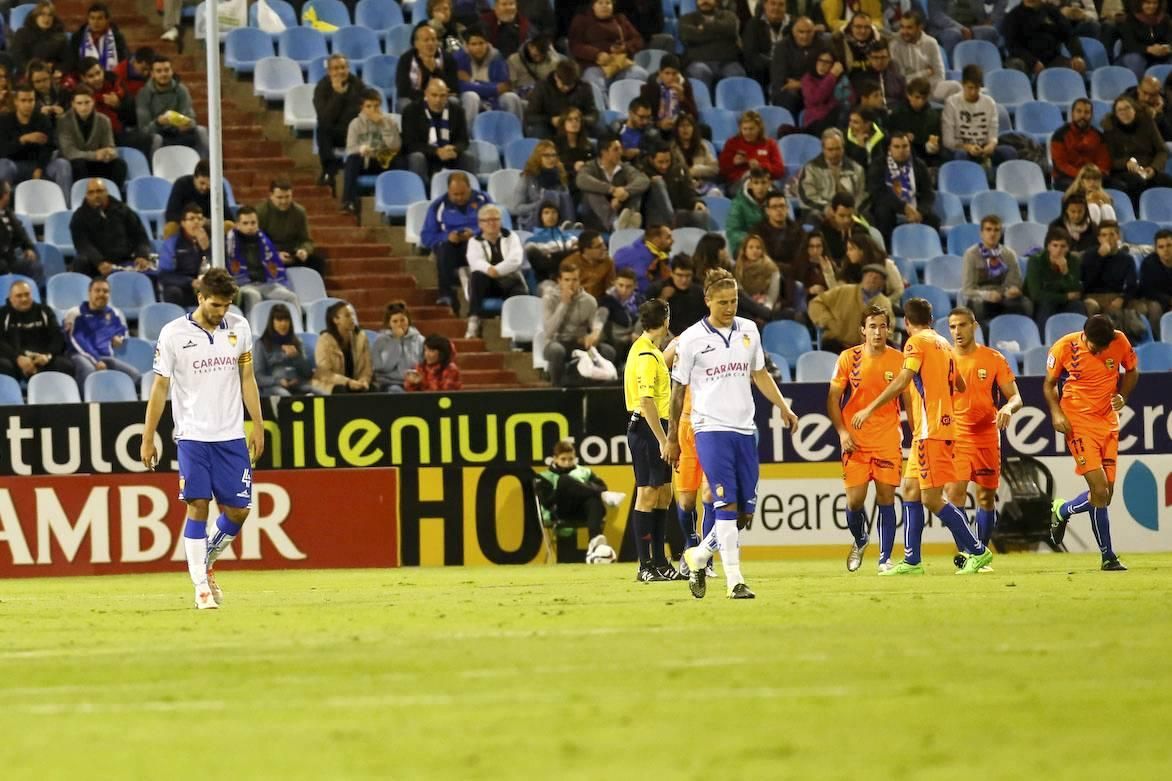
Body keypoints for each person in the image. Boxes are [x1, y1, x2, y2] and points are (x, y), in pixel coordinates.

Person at [140, 268, 265, 610]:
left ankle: (204, 560)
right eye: (215, 304)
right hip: (193, 436)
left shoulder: (239, 328)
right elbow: (160, 387)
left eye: (226, 305)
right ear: (200, 298)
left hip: (231, 435)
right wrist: (147, 437)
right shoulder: (173, 334)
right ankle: (200, 587)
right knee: (198, 504)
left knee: (239, 510)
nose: (221, 311)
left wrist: (258, 423)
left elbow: (247, 377)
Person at [671, 269, 800, 598]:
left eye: (734, 301)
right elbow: (676, 392)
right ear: (708, 301)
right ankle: (735, 581)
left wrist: (783, 408)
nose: (730, 308)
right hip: (710, 429)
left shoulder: (749, 330)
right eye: (723, 302)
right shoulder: (691, 339)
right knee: (725, 503)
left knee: (744, 512)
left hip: (745, 429)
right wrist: (672, 437)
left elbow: (758, 374)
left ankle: (699, 555)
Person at [851, 296, 994, 575]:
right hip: (933, 429)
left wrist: (869, 408)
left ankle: (977, 550)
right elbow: (961, 385)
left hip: (932, 429)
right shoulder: (944, 343)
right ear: (931, 319)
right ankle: (912, 560)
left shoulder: (915, 343)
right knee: (910, 490)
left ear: (906, 323)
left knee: (931, 498)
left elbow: (904, 379)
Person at [1045, 315, 1137, 572]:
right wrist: (1056, 412)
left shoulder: (1119, 341)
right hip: (1077, 422)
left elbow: (1132, 371)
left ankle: (1063, 509)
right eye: (1094, 346)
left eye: (1103, 347)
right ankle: (1108, 557)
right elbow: (1049, 385)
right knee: (1098, 490)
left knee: (1106, 495)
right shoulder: (1064, 347)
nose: (1098, 351)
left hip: (1108, 422)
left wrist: (1123, 395)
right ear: (1083, 334)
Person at [827, 304, 905, 572]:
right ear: (863, 330)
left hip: (886, 439)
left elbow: (909, 400)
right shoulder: (848, 358)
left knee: (886, 498)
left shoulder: (899, 360)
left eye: (883, 326)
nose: (878, 331)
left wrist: (917, 432)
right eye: (872, 326)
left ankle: (885, 559)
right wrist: (842, 433)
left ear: (888, 329)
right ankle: (860, 539)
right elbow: (833, 399)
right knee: (854, 501)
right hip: (855, 441)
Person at [944, 306, 1023, 558]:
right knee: (954, 494)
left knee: (986, 498)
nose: (957, 331)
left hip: (987, 437)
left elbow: (1016, 397)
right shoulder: (944, 359)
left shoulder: (993, 359)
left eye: (962, 325)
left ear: (974, 326)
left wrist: (1009, 408)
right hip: (956, 436)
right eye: (953, 326)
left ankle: (981, 550)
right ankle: (970, 553)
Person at [623, 297, 677, 581]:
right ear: (665, 320)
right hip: (648, 428)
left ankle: (660, 561)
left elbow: (658, 369)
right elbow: (646, 400)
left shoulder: (649, 351)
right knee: (647, 493)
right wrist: (662, 439)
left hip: (657, 426)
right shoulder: (645, 355)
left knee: (664, 493)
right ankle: (645, 566)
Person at [534, 439, 624, 552]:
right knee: (564, 480)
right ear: (555, 459)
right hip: (560, 512)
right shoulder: (544, 477)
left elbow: (603, 487)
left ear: (575, 458)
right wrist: (563, 489)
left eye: (570, 459)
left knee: (593, 500)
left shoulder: (584, 472)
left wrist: (580, 488)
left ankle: (595, 545)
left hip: (582, 511)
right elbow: (547, 503)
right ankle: (603, 496)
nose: (567, 462)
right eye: (563, 459)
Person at [420, 171, 491, 311]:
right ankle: (446, 294)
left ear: (470, 188)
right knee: (444, 248)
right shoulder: (438, 206)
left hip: (478, 242)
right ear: (449, 191)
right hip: (452, 248)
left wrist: (475, 232)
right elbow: (426, 236)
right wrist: (447, 237)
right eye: (455, 194)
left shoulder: (483, 200)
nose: (459, 198)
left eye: (463, 193)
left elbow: (494, 223)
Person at [542, 258, 613, 386]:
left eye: (575, 280)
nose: (571, 284)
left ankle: (598, 391)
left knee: (608, 351)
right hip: (556, 342)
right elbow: (548, 332)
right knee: (556, 351)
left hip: (579, 342)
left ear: (580, 281)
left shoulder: (589, 301)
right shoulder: (550, 299)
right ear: (559, 281)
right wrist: (563, 304)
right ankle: (557, 388)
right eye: (567, 280)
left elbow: (595, 329)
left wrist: (593, 336)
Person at [464, 203, 528, 338]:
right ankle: (474, 320)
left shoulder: (511, 237)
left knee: (518, 289)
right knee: (477, 276)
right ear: (480, 224)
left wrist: (497, 270)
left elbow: (515, 260)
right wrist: (489, 269)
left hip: (508, 279)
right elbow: (475, 261)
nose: (491, 223)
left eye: (495, 219)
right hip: (487, 282)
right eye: (487, 220)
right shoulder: (474, 241)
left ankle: (518, 333)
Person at [63, 275, 139, 386]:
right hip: (80, 355)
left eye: (105, 291)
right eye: (97, 290)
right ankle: (87, 402)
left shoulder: (113, 313)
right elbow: (77, 342)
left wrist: (119, 337)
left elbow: (123, 330)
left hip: (105, 357)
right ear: (89, 293)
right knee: (89, 370)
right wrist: (96, 360)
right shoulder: (75, 313)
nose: (101, 294)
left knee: (134, 375)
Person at [866, 131, 938, 248]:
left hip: (914, 207)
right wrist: (903, 208)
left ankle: (927, 250)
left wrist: (921, 211)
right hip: (890, 207)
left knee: (933, 220)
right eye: (897, 147)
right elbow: (879, 193)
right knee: (883, 214)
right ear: (890, 148)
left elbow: (928, 193)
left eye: (905, 146)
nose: (901, 150)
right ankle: (889, 252)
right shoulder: (878, 165)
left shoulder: (919, 165)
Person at [69, 177, 152, 278]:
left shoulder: (124, 210)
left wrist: (142, 256)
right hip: (95, 263)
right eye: (91, 192)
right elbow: (83, 245)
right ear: (86, 196)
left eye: (99, 191)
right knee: (80, 260)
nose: (96, 195)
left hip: (124, 260)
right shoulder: (79, 217)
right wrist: (99, 262)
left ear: (106, 192)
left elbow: (140, 237)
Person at [225, 206, 299, 316]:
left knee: (291, 297)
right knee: (254, 295)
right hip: (243, 285)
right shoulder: (230, 242)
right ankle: (253, 330)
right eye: (245, 223)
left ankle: (297, 330)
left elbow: (271, 260)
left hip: (266, 283)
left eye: (253, 223)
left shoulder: (263, 240)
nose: (250, 227)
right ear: (237, 225)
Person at [340, 89, 402, 216]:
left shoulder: (389, 122)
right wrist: (361, 149)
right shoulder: (355, 124)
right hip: (364, 161)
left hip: (381, 160)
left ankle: (397, 197)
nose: (373, 110)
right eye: (369, 106)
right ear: (362, 108)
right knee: (352, 160)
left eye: (376, 106)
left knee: (399, 160)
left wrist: (384, 125)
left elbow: (395, 146)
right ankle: (348, 201)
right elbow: (350, 149)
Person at [942, 65, 1015, 173]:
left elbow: (993, 134)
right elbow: (948, 141)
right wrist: (968, 147)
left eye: (976, 88)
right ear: (963, 84)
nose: (973, 92)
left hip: (983, 148)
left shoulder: (989, 103)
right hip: (963, 149)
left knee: (1010, 152)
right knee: (960, 155)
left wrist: (991, 145)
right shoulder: (952, 103)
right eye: (970, 88)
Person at [809, 263, 895, 353]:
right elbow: (816, 303)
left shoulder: (884, 302)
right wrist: (827, 320)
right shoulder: (844, 290)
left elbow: (889, 328)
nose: (872, 279)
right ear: (863, 277)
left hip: (866, 350)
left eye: (877, 277)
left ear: (882, 283)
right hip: (836, 343)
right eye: (870, 275)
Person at [567, 0, 648, 96]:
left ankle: (623, 105)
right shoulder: (581, 20)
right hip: (594, 66)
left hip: (619, 65)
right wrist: (596, 54)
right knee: (595, 84)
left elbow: (638, 40)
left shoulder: (620, 19)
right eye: (600, 3)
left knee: (641, 74)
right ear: (593, 6)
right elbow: (575, 45)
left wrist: (625, 47)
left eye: (608, 3)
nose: (604, 6)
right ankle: (605, 110)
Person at [960, 215, 1030, 325]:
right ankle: (984, 338)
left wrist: (1010, 291)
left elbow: (1015, 282)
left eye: (996, 230)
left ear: (1001, 233)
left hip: (1003, 296)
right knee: (977, 305)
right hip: (981, 297)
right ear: (981, 233)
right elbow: (968, 289)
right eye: (988, 229)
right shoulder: (971, 255)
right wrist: (986, 295)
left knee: (1025, 303)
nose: (992, 234)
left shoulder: (1009, 254)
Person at [1102, 95, 1172, 205]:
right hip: (1124, 171)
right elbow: (1110, 159)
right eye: (1120, 110)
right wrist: (1126, 162)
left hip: (1148, 168)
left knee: (1167, 180)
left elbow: (1162, 151)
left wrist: (1154, 168)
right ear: (1115, 114)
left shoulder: (1147, 123)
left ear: (1134, 109)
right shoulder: (1110, 129)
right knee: (1137, 181)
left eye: (1127, 108)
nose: (1124, 112)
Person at [402, 78, 475, 183]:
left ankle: (469, 193)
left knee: (468, 156)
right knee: (416, 158)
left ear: (447, 95)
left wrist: (454, 148)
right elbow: (410, 144)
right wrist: (436, 151)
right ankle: (422, 194)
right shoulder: (411, 111)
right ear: (426, 94)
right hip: (426, 157)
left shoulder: (457, 111)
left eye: (442, 96)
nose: (438, 100)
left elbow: (463, 140)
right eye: (434, 95)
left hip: (450, 156)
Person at [0, 84, 71, 192]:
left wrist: (39, 168)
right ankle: (3, 206)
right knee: (3, 164)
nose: (28, 104)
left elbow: (49, 147)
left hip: (40, 164)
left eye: (31, 100)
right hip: (15, 165)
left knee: (62, 164)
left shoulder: (42, 119)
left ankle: (66, 207)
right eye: (23, 100)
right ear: (16, 102)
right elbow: (3, 151)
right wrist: (23, 139)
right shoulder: (5, 121)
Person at [0, 278, 74, 381]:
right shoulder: (3, 313)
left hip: (42, 358)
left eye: (27, 294)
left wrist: (47, 356)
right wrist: (18, 358)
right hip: (15, 360)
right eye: (19, 296)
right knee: (3, 365)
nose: (24, 299)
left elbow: (58, 337)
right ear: (11, 298)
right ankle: (13, 395)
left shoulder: (45, 311)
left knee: (66, 365)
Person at [56, 85, 126, 190]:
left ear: (93, 102)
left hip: (97, 162)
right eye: (79, 103)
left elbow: (110, 146)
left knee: (119, 165)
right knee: (79, 164)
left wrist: (110, 153)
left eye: (87, 102)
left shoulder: (104, 120)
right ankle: (81, 197)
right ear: (73, 104)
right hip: (75, 163)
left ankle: (113, 195)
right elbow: (70, 153)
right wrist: (95, 155)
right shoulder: (64, 121)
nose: (84, 107)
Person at [313, 54, 367, 188]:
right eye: (336, 68)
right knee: (321, 129)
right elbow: (324, 118)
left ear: (348, 68)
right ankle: (329, 170)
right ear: (329, 71)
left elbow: (363, 110)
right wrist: (338, 95)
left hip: (355, 131)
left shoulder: (357, 84)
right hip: (336, 133)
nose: (340, 72)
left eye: (343, 67)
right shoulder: (322, 87)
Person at [453, 27, 525, 127]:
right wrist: (493, 88)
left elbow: (503, 86)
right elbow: (462, 87)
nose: (478, 48)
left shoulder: (497, 57)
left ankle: (514, 135)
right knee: (471, 96)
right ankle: (469, 138)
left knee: (511, 97)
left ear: (487, 43)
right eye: (474, 44)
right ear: (467, 46)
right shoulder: (458, 59)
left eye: (481, 43)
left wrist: (472, 82)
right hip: (472, 99)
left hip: (493, 99)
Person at [576, 135, 650, 232]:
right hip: (595, 213)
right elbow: (581, 179)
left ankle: (629, 223)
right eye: (616, 149)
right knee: (592, 191)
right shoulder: (591, 166)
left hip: (619, 210)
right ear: (604, 152)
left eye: (620, 149)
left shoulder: (624, 167)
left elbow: (643, 180)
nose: (620, 152)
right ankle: (615, 224)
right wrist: (612, 190)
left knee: (635, 191)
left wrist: (624, 193)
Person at [1081, 220, 1143, 334]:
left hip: (1115, 296)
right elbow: (1086, 282)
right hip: (1093, 296)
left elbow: (1132, 284)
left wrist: (1122, 298)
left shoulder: (1126, 259)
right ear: (1099, 238)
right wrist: (1099, 257)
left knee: (1141, 307)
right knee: (1092, 306)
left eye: (1112, 234)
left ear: (1118, 236)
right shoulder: (1090, 255)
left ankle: (1132, 339)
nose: (1108, 238)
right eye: (1104, 235)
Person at [256, 179, 326, 276]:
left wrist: (304, 250)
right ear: (271, 196)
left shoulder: (299, 212)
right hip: (271, 254)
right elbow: (256, 241)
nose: (284, 201)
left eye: (287, 197)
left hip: (293, 254)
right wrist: (275, 254)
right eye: (280, 197)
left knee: (318, 261)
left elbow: (307, 240)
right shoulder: (260, 212)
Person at [1024, 226, 1088, 331]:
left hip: (1063, 301)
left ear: (1068, 248)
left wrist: (1065, 272)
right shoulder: (1036, 261)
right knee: (1047, 305)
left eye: (1063, 246)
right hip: (1043, 302)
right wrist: (1065, 297)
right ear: (1048, 246)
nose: (1058, 250)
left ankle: (1083, 340)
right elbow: (1036, 294)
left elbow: (1076, 291)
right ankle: (1045, 342)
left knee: (1077, 305)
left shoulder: (1073, 261)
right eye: (1055, 245)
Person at [136, 55, 202, 154]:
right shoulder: (143, 94)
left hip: (178, 132)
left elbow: (191, 118)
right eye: (159, 71)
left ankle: (205, 167)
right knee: (156, 139)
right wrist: (158, 123)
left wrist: (187, 124)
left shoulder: (181, 90)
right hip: (156, 133)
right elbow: (144, 130)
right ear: (152, 74)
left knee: (201, 131)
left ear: (171, 71)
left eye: (167, 70)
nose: (163, 74)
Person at [796, 129, 866, 222]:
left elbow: (861, 194)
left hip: (850, 211)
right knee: (814, 217)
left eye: (838, 149)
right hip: (822, 212)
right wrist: (826, 208)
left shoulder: (856, 169)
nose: (834, 153)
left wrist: (851, 210)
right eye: (830, 149)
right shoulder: (811, 168)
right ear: (823, 149)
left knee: (867, 217)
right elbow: (807, 197)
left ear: (843, 148)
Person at [889, 10, 957, 103]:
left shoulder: (931, 43)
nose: (904, 31)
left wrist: (923, 88)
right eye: (902, 27)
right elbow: (901, 80)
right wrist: (925, 72)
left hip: (929, 89)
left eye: (909, 28)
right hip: (907, 91)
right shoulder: (895, 45)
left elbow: (940, 75)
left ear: (920, 27)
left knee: (955, 87)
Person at [1003, 0, 1087, 75]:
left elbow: (1069, 35)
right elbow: (1013, 46)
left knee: (1075, 69)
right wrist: (1033, 62)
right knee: (1017, 64)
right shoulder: (1013, 16)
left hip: (1052, 59)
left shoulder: (1051, 11)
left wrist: (1077, 55)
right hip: (1025, 60)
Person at [679, 0, 745, 89]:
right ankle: (702, 103)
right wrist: (719, 33)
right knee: (699, 72)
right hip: (698, 61)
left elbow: (731, 29)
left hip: (727, 62)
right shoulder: (686, 18)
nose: (705, 1)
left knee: (737, 73)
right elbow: (687, 35)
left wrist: (702, 29)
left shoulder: (729, 16)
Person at [526, 59, 599, 140]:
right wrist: (550, 120)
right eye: (563, 85)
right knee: (539, 130)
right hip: (549, 126)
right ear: (556, 77)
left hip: (577, 126)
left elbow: (593, 113)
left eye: (570, 85)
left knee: (598, 129)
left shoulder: (584, 87)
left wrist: (580, 120)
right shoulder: (542, 87)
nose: (566, 88)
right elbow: (530, 116)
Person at [395, 22, 460, 111]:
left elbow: (454, 88)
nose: (430, 43)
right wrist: (429, 96)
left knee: (453, 101)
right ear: (416, 44)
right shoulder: (406, 59)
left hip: (441, 99)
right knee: (404, 103)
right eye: (426, 40)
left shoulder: (447, 58)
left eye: (433, 40)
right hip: (416, 99)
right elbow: (403, 91)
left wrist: (436, 70)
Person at [252, 303, 313, 397]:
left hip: (297, 385)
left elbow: (308, 373)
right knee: (285, 396)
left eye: (286, 320)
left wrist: (296, 357)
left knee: (318, 393)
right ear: (272, 322)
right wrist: (278, 381)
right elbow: (258, 377)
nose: (283, 324)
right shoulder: (261, 344)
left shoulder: (296, 342)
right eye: (279, 320)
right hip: (273, 387)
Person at [642, 142, 707, 229]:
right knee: (657, 182)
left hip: (678, 212)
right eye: (660, 162)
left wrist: (697, 202)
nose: (664, 166)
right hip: (656, 218)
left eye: (667, 161)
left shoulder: (679, 169)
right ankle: (671, 220)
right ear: (651, 160)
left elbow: (689, 192)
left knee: (701, 215)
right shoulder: (642, 172)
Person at [163, 160, 234, 239]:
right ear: (195, 178)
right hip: (185, 225)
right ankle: (170, 250)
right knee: (171, 226)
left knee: (229, 225)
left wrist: (207, 222)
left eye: (209, 185)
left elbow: (228, 216)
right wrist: (191, 220)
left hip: (208, 225)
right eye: (202, 183)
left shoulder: (218, 187)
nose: (205, 187)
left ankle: (225, 250)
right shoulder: (181, 184)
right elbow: (171, 214)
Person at [312, 300, 372, 394]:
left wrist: (364, 380)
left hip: (355, 382)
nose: (352, 318)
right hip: (330, 383)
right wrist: (348, 382)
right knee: (341, 391)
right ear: (336, 320)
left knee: (372, 388)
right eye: (347, 316)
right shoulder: (324, 340)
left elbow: (367, 368)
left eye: (353, 315)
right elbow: (325, 374)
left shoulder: (361, 337)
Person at [1051, 98, 1111, 191]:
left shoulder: (1099, 136)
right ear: (1072, 114)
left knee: (1117, 185)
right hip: (1067, 177)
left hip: (1093, 177)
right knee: (1082, 188)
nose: (1082, 115)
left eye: (1087, 112)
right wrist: (1082, 175)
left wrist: (1092, 176)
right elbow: (1061, 165)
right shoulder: (1060, 135)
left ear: (1091, 115)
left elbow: (1103, 163)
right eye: (1079, 111)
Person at [770, 15, 826, 115]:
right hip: (788, 93)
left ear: (814, 32)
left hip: (815, 91)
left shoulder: (822, 46)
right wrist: (808, 83)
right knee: (789, 96)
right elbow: (781, 80)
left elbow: (825, 76)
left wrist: (801, 84)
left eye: (809, 32)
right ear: (793, 32)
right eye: (801, 32)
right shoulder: (782, 47)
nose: (805, 36)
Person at [515, 139, 575, 230]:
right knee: (549, 195)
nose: (551, 159)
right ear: (538, 157)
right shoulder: (528, 176)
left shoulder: (560, 174)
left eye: (553, 155)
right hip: (534, 219)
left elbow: (565, 202)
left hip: (558, 218)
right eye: (546, 156)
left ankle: (569, 227)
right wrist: (539, 204)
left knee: (565, 196)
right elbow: (518, 208)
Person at [158, 203, 209, 308]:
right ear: (183, 223)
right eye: (191, 219)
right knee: (173, 293)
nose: (196, 222)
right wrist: (190, 282)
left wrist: (207, 249)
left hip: (204, 286)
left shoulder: (212, 241)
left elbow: (220, 267)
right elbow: (164, 275)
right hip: (181, 285)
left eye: (199, 219)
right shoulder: (172, 243)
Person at [717, 110, 785, 189]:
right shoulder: (732, 143)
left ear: (759, 128)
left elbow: (779, 171)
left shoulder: (770, 144)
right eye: (744, 129)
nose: (748, 132)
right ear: (740, 129)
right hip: (739, 183)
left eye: (751, 129)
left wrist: (761, 165)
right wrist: (733, 163)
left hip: (765, 181)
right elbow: (722, 170)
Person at [372, 301, 425, 392]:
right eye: (395, 321)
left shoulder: (420, 340)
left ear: (408, 319)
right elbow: (381, 367)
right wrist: (396, 341)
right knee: (396, 391)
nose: (399, 324)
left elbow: (422, 364)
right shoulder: (380, 341)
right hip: (389, 383)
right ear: (389, 323)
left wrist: (415, 375)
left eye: (402, 320)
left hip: (415, 383)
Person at [65, 2, 128, 74]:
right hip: (85, 78)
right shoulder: (78, 37)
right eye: (92, 18)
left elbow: (123, 61)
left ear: (107, 20)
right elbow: (71, 60)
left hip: (111, 78)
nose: (95, 22)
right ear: (88, 20)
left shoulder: (117, 37)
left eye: (100, 18)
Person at [0, 180, 44, 285]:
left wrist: (28, 248)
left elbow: (21, 234)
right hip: (2, 262)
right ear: (4, 195)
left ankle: (33, 297)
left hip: (11, 260)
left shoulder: (8, 213)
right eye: (8, 192)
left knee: (34, 264)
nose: (10, 195)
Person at [649, 254, 706, 333]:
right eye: (680, 275)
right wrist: (662, 299)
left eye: (688, 275)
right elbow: (649, 319)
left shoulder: (700, 292)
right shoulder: (657, 289)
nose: (684, 280)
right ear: (671, 273)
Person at [726, 169, 775, 259]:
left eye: (763, 183)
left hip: (771, 246)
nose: (760, 187)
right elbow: (733, 232)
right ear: (750, 184)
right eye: (756, 183)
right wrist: (754, 240)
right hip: (744, 247)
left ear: (769, 184)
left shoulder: (776, 200)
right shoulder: (738, 203)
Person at [801, 46, 850, 138]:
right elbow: (815, 98)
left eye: (827, 62)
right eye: (820, 60)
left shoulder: (838, 79)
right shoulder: (808, 79)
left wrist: (839, 77)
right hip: (815, 122)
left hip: (835, 120)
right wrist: (832, 76)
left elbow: (850, 98)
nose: (822, 65)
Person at [743, 0, 792, 90]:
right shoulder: (753, 24)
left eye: (781, 5)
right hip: (763, 70)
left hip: (788, 69)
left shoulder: (794, 24)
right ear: (765, 5)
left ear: (786, 7)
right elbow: (750, 54)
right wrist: (775, 65)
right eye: (773, 3)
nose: (776, 8)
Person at [8, 1, 68, 73]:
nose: (46, 18)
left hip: (52, 74)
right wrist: (35, 71)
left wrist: (57, 69)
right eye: (42, 14)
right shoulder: (22, 33)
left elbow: (68, 60)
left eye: (50, 15)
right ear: (35, 16)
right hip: (28, 74)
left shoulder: (60, 37)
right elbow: (18, 59)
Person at [1117, 0, 1172, 79]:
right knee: (1136, 59)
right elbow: (1129, 45)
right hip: (1134, 55)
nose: (1152, 6)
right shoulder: (1129, 19)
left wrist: (1166, 48)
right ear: (1139, 3)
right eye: (1148, 3)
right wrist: (1149, 49)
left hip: (1159, 55)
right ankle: (1140, 88)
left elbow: (1170, 40)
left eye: (1155, 3)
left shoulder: (1165, 19)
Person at [613, 223, 673, 295]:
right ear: (656, 240)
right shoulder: (625, 254)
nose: (673, 241)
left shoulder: (665, 258)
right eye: (668, 238)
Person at [598, 267, 642, 362]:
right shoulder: (607, 300)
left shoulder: (639, 300)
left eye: (628, 286)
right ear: (614, 283)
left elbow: (644, 317)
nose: (624, 289)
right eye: (621, 285)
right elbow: (602, 315)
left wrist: (637, 332)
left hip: (635, 338)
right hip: (615, 340)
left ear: (635, 286)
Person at [1137, 228, 1172, 338]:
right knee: (1154, 307)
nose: (1166, 250)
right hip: (1156, 299)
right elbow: (1147, 290)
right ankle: (1160, 340)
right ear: (1156, 249)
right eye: (1161, 247)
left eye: (1169, 245)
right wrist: (1169, 301)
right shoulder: (1149, 263)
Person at [562, 229, 614, 299]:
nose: (604, 248)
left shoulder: (608, 262)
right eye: (599, 246)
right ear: (586, 250)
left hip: (600, 302)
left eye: (604, 244)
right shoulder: (569, 264)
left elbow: (610, 289)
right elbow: (567, 291)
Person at [507, 33, 560, 101]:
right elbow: (511, 85)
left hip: (543, 96)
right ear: (530, 46)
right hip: (520, 96)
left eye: (542, 56)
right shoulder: (513, 59)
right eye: (536, 55)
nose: (538, 59)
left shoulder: (553, 63)